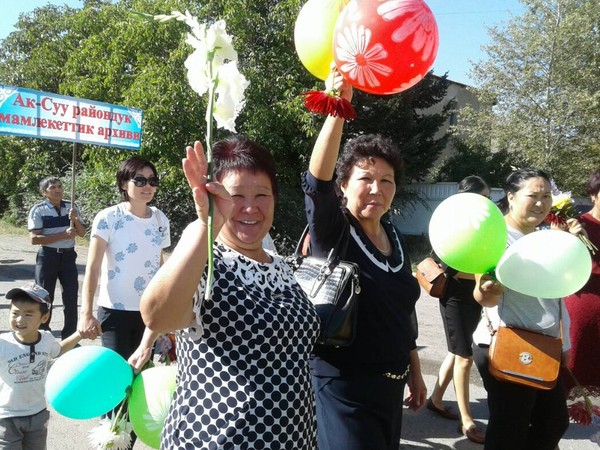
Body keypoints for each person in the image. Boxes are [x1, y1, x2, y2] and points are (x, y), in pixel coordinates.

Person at [140, 137, 320, 449]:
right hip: (216, 439)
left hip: (294, 439)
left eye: (262, 195)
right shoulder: (207, 261)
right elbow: (158, 316)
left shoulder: (285, 267)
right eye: (236, 196)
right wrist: (206, 226)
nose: (250, 207)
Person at [303, 69, 426, 450]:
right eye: (365, 179)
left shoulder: (394, 236)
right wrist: (338, 109)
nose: (377, 188)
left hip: (390, 387)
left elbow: (402, 311)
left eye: (386, 180)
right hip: (343, 388)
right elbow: (316, 183)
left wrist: (415, 371)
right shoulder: (333, 230)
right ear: (343, 186)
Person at [471, 168, 572, 450]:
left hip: (544, 344)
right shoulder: (496, 237)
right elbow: (483, 295)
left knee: (553, 421)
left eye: (547, 196)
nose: (541, 203)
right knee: (509, 429)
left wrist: (565, 342)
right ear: (511, 197)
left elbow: (556, 296)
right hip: (508, 344)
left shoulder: (546, 237)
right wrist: (487, 291)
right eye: (533, 195)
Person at [78, 156, 170, 447]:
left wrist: (169, 311)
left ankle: (127, 441)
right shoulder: (108, 217)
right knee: (117, 383)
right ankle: (110, 440)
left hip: (149, 316)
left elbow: (161, 266)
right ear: (123, 184)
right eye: (139, 180)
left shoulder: (160, 219)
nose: (147, 186)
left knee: (140, 384)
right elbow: (93, 268)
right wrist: (86, 313)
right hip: (114, 313)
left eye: (152, 180)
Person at [427, 175, 490, 444]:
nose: (488, 203)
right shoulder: (453, 223)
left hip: (474, 296)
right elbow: (447, 265)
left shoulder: (484, 225)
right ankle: (467, 421)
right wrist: (478, 269)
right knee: (464, 356)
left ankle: (436, 399)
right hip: (454, 296)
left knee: (456, 350)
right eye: (484, 197)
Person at [0, 282, 83, 449]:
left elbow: (59, 350)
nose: (20, 320)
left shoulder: (46, 339)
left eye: (28, 314)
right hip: (7, 416)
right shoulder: (3, 343)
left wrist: (80, 334)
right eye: (15, 313)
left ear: (44, 318)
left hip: (37, 413)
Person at [28, 176, 86, 338]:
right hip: (48, 256)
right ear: (44, 192)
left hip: (68, 257)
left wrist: (75, 219)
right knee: (44, 297)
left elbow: (82, 233)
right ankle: (43, 335)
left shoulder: (71, 206)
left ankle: (70, 336)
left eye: (59, 186)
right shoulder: (38, 210)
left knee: (71, 297)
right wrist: (62, 235)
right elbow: (34, 239)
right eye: (53, 188)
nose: (58, 190)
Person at [563, 168, 600, 391]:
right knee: (574, 369)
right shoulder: (576, 225)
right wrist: (574, 240)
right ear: (593, 194)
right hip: (583, 308)